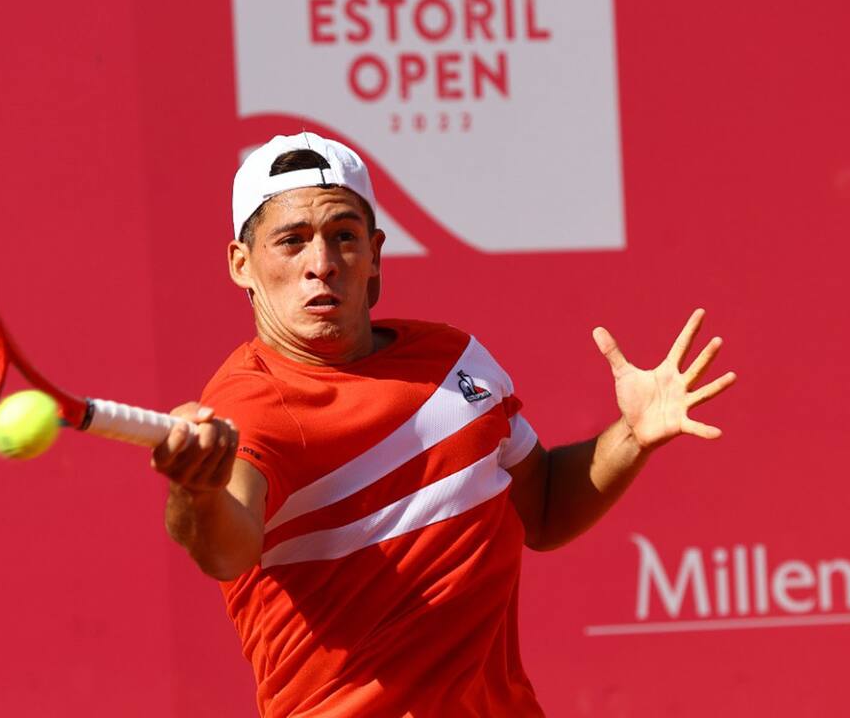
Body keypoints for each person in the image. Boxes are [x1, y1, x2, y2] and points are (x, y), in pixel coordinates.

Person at [151, 133, 736, 717]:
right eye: (292, 241)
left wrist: (632, 434)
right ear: (241, 264)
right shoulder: (248, 404)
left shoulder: (452, 359)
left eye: (344, 237)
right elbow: (225, 551)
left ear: (375, 253)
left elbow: (548, 508)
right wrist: (195, 489)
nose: (321, 264)